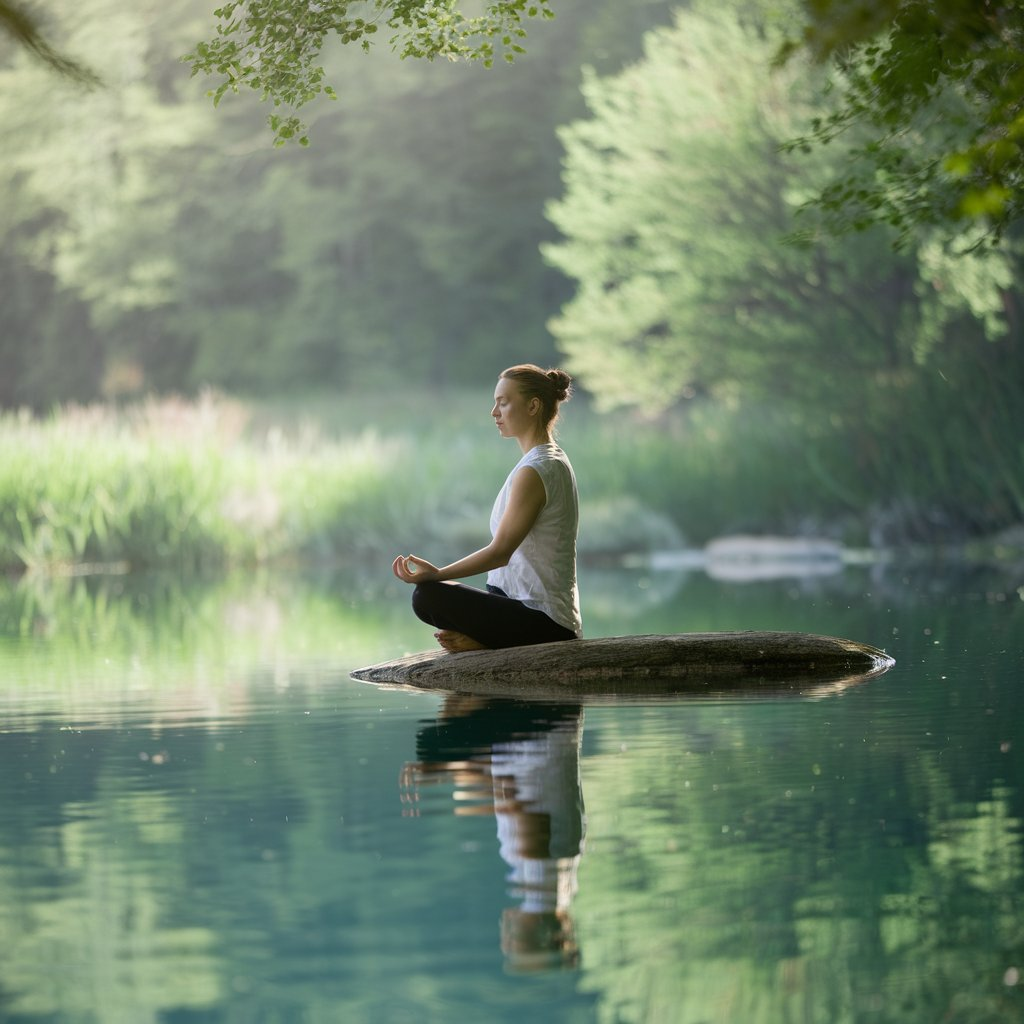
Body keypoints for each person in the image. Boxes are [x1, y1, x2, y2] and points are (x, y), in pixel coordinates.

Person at [392, 364, 582, 652]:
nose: (494, 412)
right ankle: (484, 638)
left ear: (533, 406)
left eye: (503, 403)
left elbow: (500, 553)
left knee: (427, 595)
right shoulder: (545, 461)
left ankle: (484, 640)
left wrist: (437, 574)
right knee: (433, 595)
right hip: (518, 604)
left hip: (545, 622)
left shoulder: (537, 469)